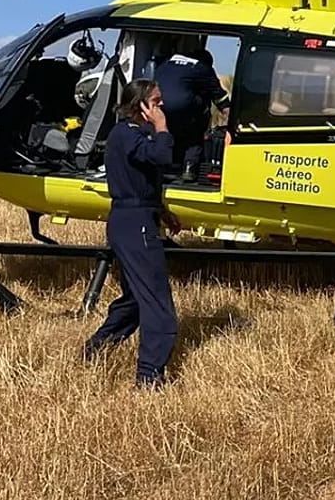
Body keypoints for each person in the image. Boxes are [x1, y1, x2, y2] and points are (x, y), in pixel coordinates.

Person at [82, 78, 183, 388]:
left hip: (135, 219)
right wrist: (163, 127)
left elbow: (142, 177)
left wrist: (163, 210)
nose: (161, 107)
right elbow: (161, 156)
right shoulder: (128, 134)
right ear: (140, 105)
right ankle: (150, 375)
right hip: (134, 223)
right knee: (157, 302)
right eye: (156, 102)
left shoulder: (131, 135)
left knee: (136, 299)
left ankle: (97, 348)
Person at [153, 47, 230, 180]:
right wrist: (228, 118)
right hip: (183, 108)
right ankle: (190, 166)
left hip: (157, 107)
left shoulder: (165, 62)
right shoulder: (202, 68)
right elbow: (219, 96)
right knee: (197, 120)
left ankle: (165, 165)